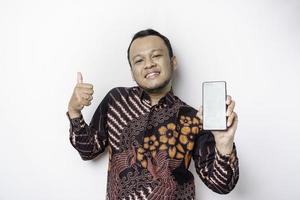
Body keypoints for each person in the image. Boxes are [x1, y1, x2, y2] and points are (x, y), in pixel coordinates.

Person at [66, 29, 239, 200]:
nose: (149, 64)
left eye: (156, 56)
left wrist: (224, 146)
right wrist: (74, 111)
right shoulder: (116, 100)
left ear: (173, 62)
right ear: (132, 73)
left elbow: (221, 185)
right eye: (139, 60)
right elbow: (88, 150)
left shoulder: (194, 119)